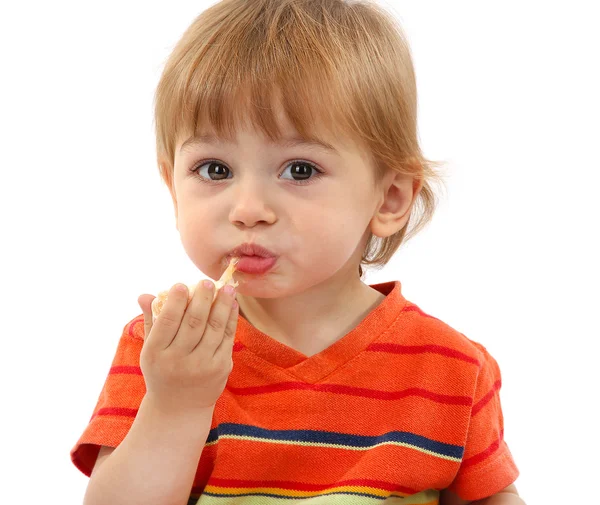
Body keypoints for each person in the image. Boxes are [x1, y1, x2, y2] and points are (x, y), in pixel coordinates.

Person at [71, 1, 524, 504]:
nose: (247, 209)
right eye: (215, 169)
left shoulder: (452, 370)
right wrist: (176, 406)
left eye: (300, 170)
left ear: (390, 198)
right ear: (173, 187)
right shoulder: (165, 352)